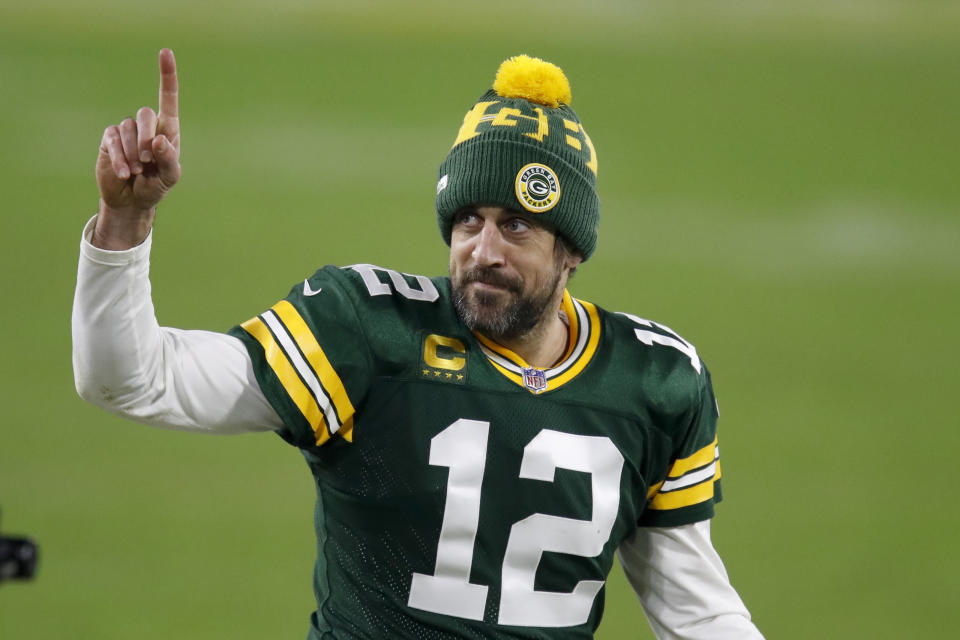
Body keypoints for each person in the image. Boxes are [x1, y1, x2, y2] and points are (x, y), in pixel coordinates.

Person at [73, 49, 765, 639]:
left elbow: (696, 614)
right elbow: (133, 380)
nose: (483, 250)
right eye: (469, 219)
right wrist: (124, 220)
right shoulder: (367, 333)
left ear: (571, 250)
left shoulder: (653, 382)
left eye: (518, 226)